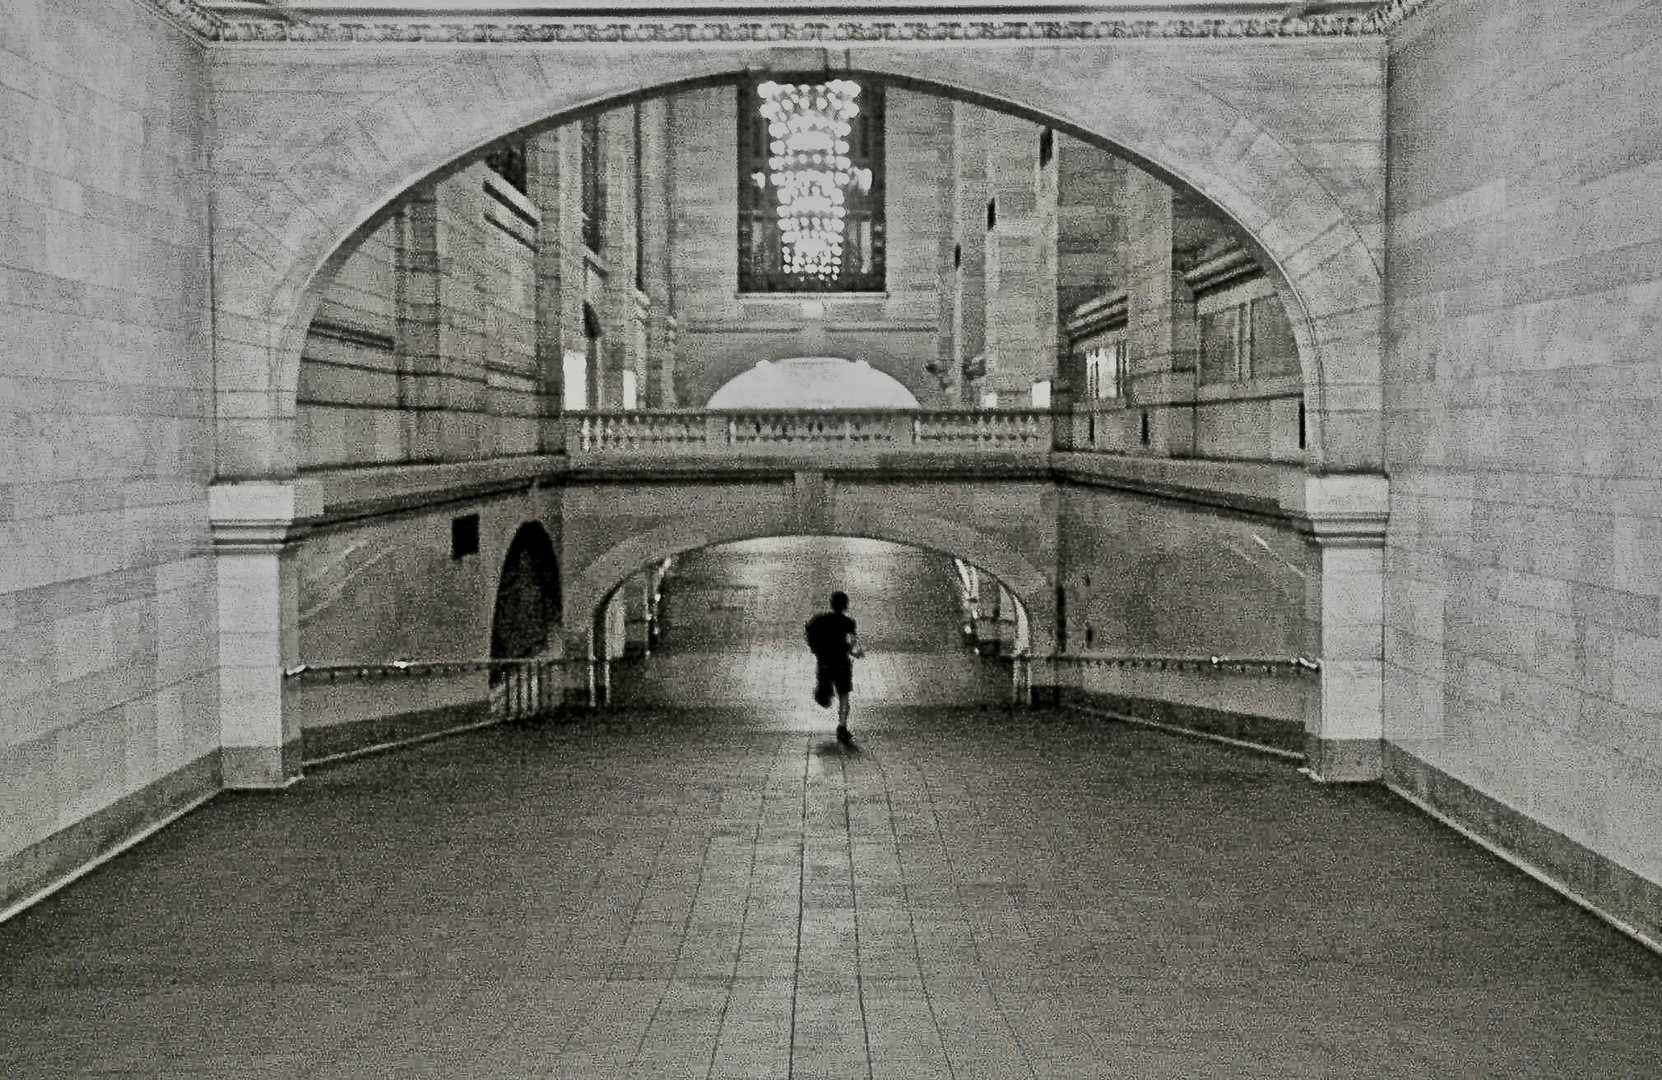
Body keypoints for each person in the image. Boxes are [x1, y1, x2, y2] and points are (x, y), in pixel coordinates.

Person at [805, 591, 863, 744]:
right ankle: (842, 725)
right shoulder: (849, 623)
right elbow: (851, 644)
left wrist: (816, 649)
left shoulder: (820, 620)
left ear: (831, 604)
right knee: (844, 695)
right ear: (845, 605)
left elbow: (809, 632)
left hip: (824, 662)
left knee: (824, 688)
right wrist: (856, 653)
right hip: (841, 663)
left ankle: (824, 693)